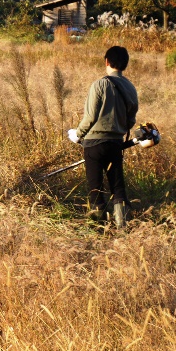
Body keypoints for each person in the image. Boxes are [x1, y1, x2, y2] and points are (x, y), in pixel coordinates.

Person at [67, 46, 138, 229]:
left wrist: (77, 134)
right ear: (125, 64)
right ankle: (122, 228)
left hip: (93, 144)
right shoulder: (130, 87)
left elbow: (90, 117)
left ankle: (98, 230)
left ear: (107, 61)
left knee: (95, 189)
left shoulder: (99, 85)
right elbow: (131, 120)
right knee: (118, 187)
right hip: (116, 144)